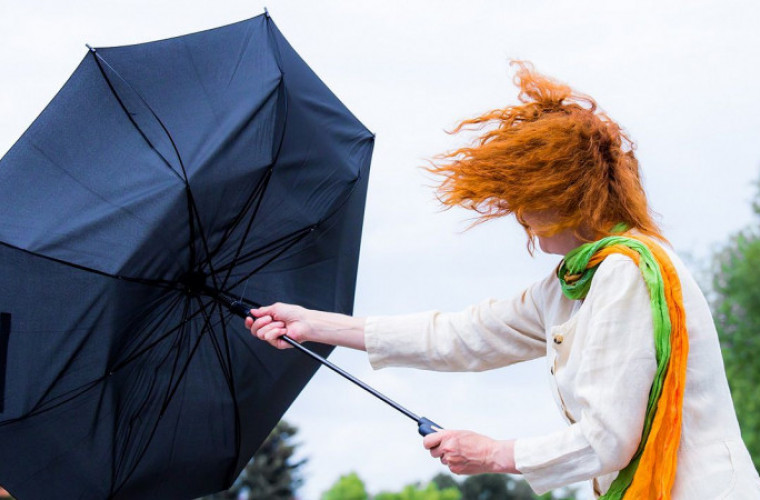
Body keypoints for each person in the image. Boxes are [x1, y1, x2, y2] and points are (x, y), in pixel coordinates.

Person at [245, 62, 760, 499]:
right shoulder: (574, 282)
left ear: (561, 193)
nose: (518, 214)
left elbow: (608, 441)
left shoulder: (626, 273)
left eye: (522, 196)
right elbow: (460, 334)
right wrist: (314, 324)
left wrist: (494, 453)